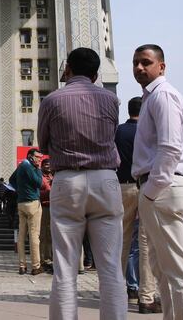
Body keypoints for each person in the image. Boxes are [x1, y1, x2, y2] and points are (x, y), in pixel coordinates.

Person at [38, 47, 125, 320]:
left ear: (68, 69)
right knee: (110, 266)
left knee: (65, 267)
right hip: (105, 179)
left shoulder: (52, 100)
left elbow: (43, 144)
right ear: (97, 73)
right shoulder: (111, 100)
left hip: (67, 180)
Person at [130, 44, 183, 319]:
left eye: (146, 62)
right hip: (158, 188)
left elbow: (170, 148)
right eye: (136, 62)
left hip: (162, 188)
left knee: (176, 269)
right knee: (163, 267)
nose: (139, 67)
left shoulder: (164, 96)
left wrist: (151, 191)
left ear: (161, 66)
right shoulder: (152, 97)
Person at [115, 96, 142, 300]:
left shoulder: (118, 131)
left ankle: (127, 284)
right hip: (146, 186)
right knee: (146, 240)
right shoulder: (147, 131)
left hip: (123, 186)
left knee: (125, 238)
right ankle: (145, 287)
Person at [9, 149, 44, 275]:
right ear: (30, 156)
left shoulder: (21, 165)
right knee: (34, 235)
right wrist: (39, 169)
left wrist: (21, 190)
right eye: (38, 157)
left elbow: (11, 180)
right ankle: (36, 266)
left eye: (41, 157)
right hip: (32, 203)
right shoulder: (29, 166)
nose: (40, 159)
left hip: (21, 203)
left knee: (21, 235)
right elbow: (39, 183)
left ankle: (22, 266)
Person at [39, 158, 54, 271]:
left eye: (49, 164)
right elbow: (37, 192)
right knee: (43, 234)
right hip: (44, 207)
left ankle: (50, 257)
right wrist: (48, 193)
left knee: (51, 235)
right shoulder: (40, 177)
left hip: (55, 208)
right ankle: (42, 258)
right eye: (46, 165)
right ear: (42, 166)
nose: (48, 167)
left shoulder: (54, 176)